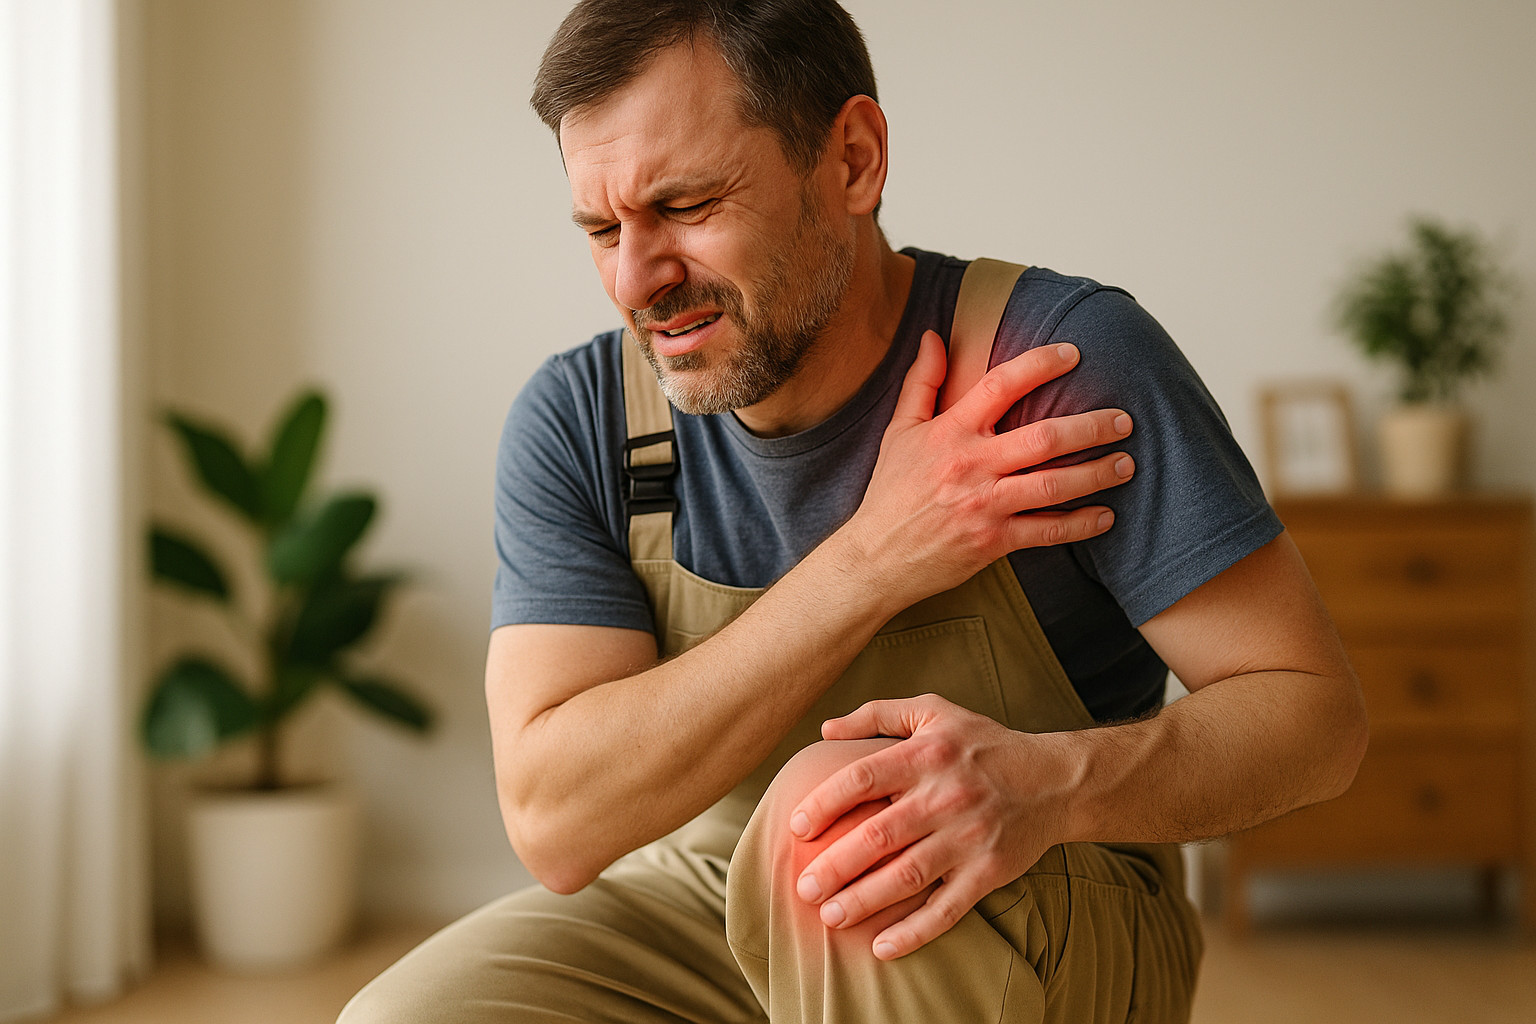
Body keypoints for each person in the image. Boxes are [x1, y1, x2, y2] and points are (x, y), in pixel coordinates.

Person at [340, 1, 1367, 1021]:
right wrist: (869, 560)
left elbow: (1314, 718)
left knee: (840, 816)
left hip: (1044, 889)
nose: (633, 280)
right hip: (713, 903)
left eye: (689, 206)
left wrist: (1051, 782)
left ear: (854, 160)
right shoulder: (586, 421)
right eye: (605, 228)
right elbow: (555, 821)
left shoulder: (1055, 370)